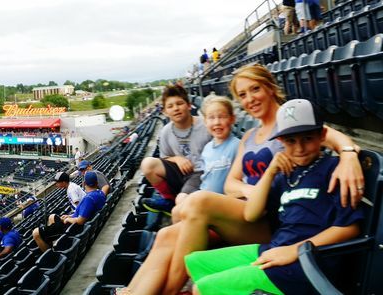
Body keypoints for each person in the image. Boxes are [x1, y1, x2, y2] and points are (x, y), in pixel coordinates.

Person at [119, 64, 366, 295]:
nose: (250, 99)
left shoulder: (294, 121)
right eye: (243, 95)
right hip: (254, 206)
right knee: (167, 235)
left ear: (270, 87)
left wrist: (348, 157)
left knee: (198, 202)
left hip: (274, 218)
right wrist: (256, 188)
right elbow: (231, 183)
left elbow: (337, 139)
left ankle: (171, 292)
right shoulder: (249, 135)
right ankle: (134, 291)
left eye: (255, 89)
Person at [185, 99, 365, 294]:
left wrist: (295, 250)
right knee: (195, 262)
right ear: (280, 142)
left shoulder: (335, 170)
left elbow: (349, 228)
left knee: (201, 289)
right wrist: (270, 171)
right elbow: (251, 214)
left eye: (307, 138)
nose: (299, 148)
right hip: (276, 248)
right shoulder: (285, 174)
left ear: (321, 135)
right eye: (291, 141)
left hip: (308, 263)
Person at [140, 85, 212, 214]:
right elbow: (165, 157)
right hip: (181, 173)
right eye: (170, 106)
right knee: (148, 164)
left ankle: (181, 200)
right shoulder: (166, 131)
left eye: (180, 103)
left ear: (189, 105)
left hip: (201, 174)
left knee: (183, 202)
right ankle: (169, 201)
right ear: (165, 112)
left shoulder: (206, 124)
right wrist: (177, 159)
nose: (176, 108)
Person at [33, 171, 105, 251]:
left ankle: (51, 255)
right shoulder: (100, 193)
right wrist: (70, 216)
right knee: (52, 217)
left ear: (84, 183)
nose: (56, 184)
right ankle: (56, 243)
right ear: (96, 182)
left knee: (36, 233)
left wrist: (68, 219)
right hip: (75, 223)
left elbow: (80, 220)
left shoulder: (88, 198)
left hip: (74, 227)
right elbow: (82, 211)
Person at [198, 95, 241, 195]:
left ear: (232, 119)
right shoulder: (207, 148)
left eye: (222, 117)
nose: (217, 122)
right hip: (205, 196)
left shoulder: (237, 146)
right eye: (211, 118)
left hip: (226, 201)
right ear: (205, 121)